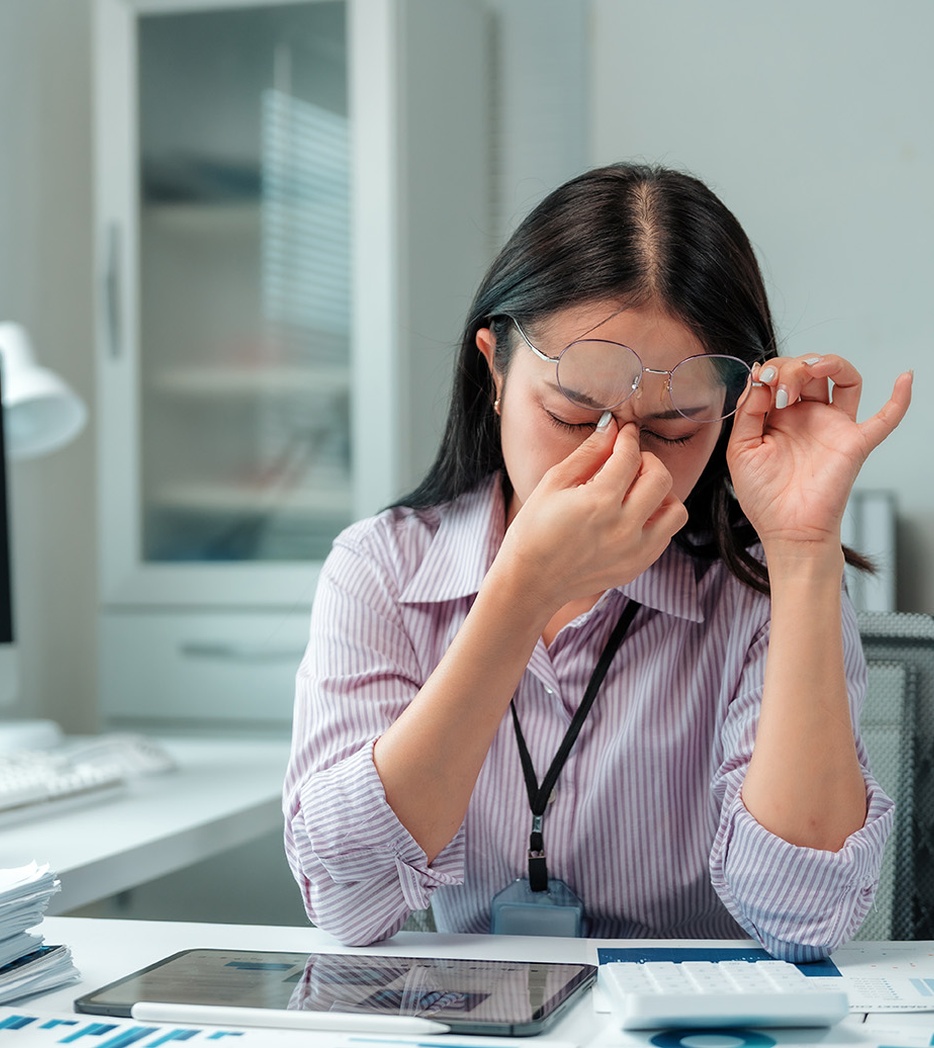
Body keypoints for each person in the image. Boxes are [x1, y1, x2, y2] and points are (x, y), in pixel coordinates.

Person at [283, 162, 912, 959]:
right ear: (496, 372)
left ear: (729, 412)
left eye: (677, 429)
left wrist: (803, 550)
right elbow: (346, 900)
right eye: (573, 415)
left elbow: (804, 920)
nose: (623, 464)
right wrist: (519, 591)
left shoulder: (760, 589)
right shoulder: (380, 569)